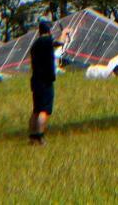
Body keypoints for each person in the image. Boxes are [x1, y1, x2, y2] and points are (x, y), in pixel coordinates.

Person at [28, 18, 70, 146]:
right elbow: (59, 43)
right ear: (49, 30)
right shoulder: (46, 41)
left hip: (35, 80)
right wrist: (65, 33)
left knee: (36, 110)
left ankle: (32, 136)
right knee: (44, 111)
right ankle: (40, 137)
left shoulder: (35, 44)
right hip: (45, 80)